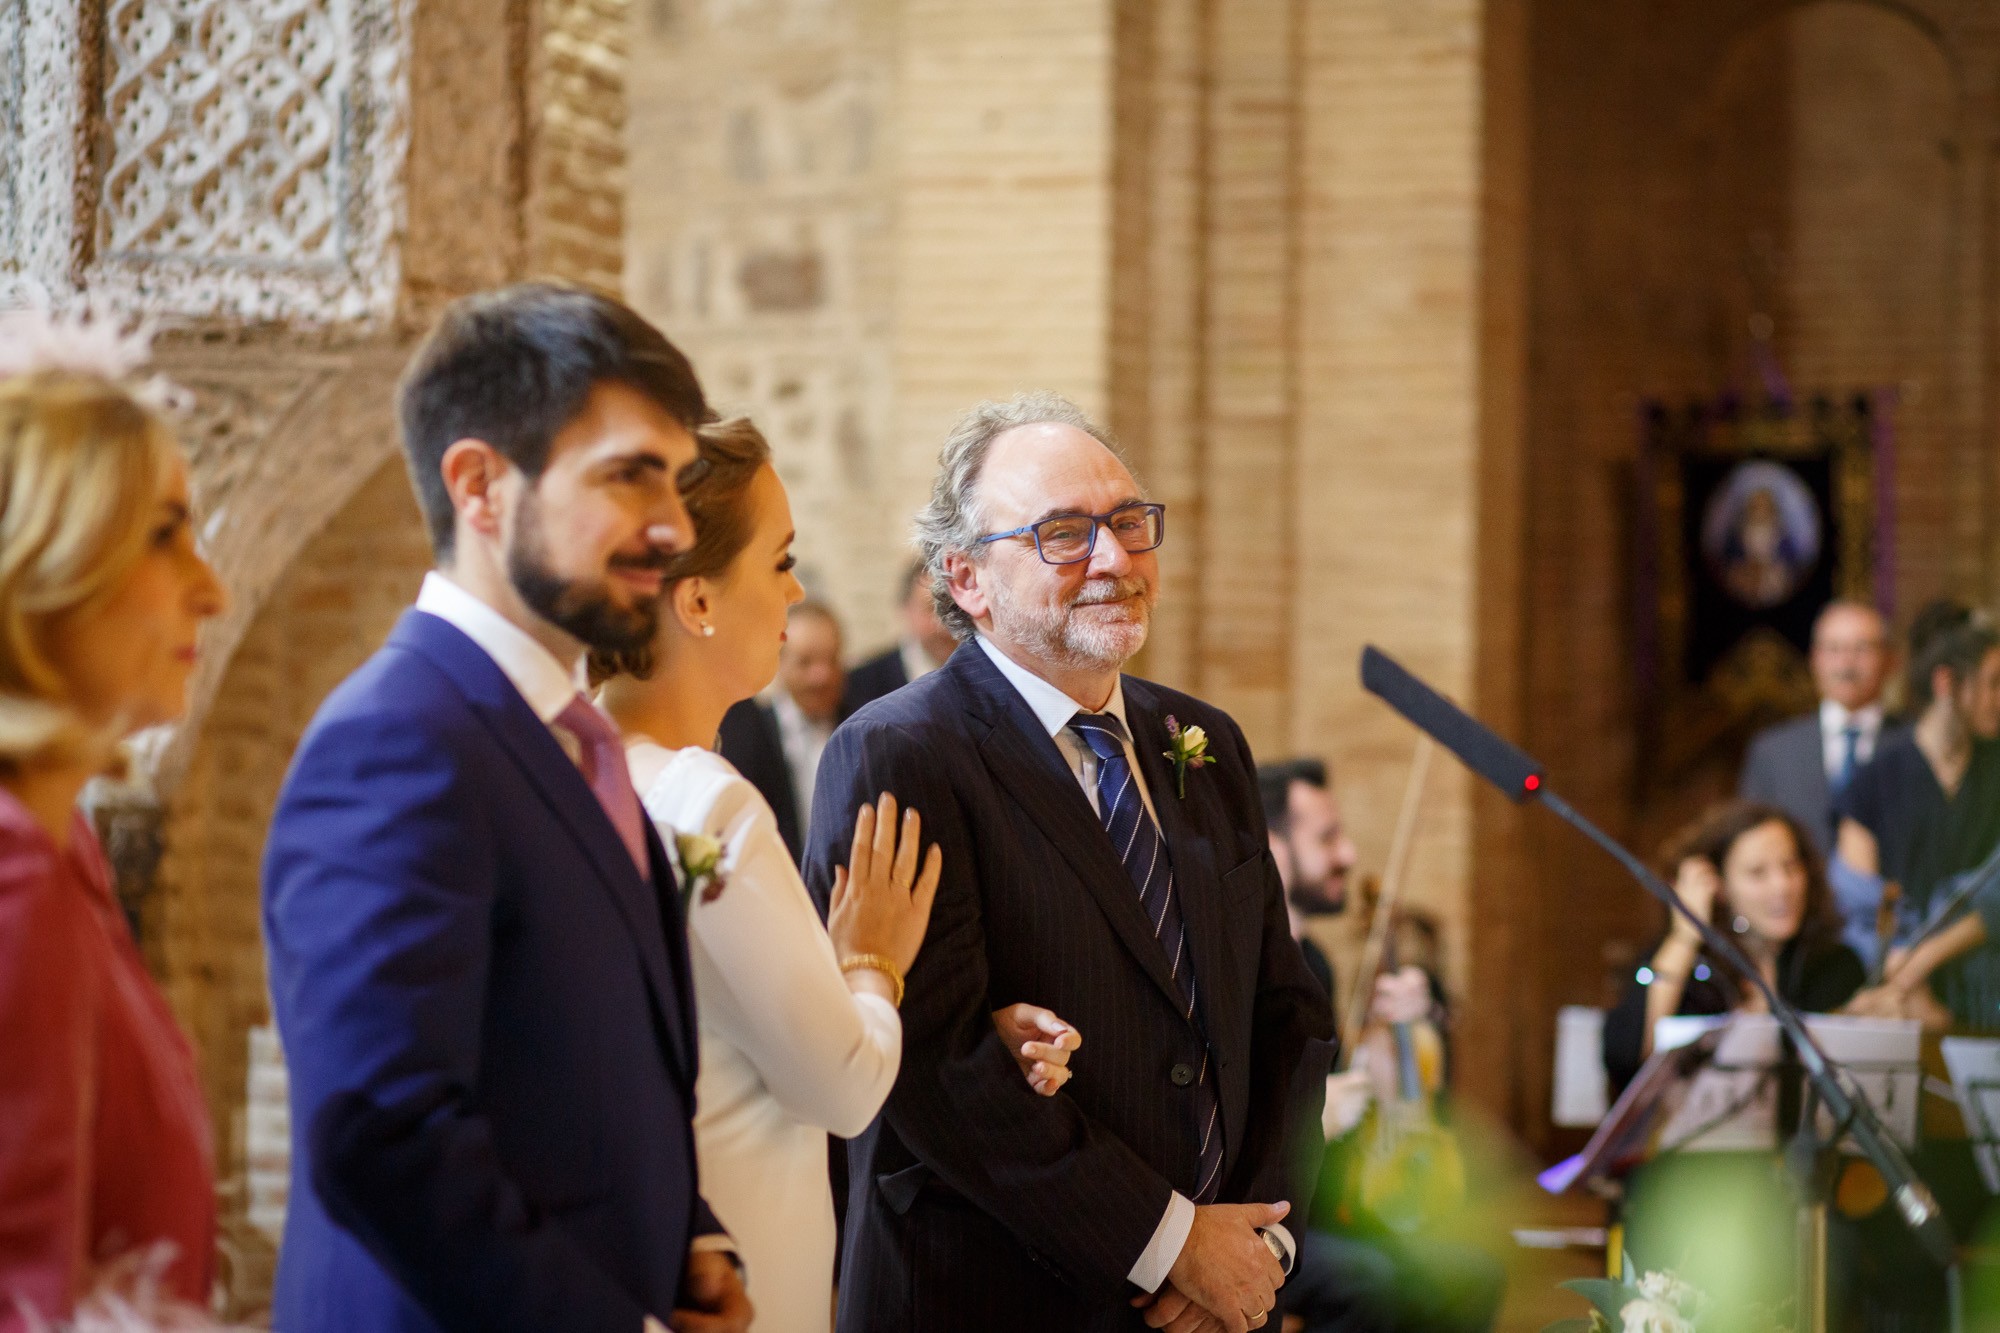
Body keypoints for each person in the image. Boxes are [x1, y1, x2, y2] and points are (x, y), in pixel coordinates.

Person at [262, 284, 748, 1333]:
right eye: (628, 476)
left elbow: (584, 1066)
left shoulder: (568, 739)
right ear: (480, 485)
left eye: (674, 480)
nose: (671, 528)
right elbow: (385, 1133)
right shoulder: (396, 739)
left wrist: (688, 1241)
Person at [803, 392, 1334, 1333]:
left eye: (1129, 522)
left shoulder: (1204, 742)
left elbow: (1285, 1014)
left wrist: (1261, 1242)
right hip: (996, 1296)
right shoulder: (901, 753)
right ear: (966, 578)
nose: (1116, 559)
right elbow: (939, 1067)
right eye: (1063, 533)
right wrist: (1174, 1244)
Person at [595, 417, 1081, 1331]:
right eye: (779, 561)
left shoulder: (578, 766)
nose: (797, 589)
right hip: (740, 1262)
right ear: (698, 600)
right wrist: (871, 961)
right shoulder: (709, 802)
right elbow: (840, 1087)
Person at [0, 351, 227, 1327]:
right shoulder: (11, 871)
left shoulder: (64, 851)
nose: (210, 589)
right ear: (42, 562)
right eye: (165, 537)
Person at [1257, 761, 1503, 1333]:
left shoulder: (1314, 961)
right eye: (1326, 837)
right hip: (1267, 1214)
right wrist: (1313, 1114)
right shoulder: (1246, 964)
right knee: (1368, 1281)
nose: (1347, 854)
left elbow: (1353, 1093)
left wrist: (1410, 1032)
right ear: (1275, 844)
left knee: (1472, 1271)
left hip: (1329, 1208)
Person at [1602, 800, 1863, 1095]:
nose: (1782, 885)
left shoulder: (1834, 963)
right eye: (1757, 873)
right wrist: (1685, 935)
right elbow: (1628, 1056)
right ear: (1719, 886)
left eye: (1790, 866)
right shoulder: (1692, 966)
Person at [1844, 618, 2000, 1030]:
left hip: (1982, 993)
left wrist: (1926, 957)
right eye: (1994, 683)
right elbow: (1857, 897)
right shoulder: (1874, 777)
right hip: (1891, 986)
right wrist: (1902, 972)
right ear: (1947, 683)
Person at [1738, 601, 1895, 859]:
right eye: (1834, 649)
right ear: (1814, 659)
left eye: (1862, 649)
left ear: (1889, 659)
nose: (1846, 663)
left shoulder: (1914, 742)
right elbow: (1752, 844)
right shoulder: (1772, 751)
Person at [716, 601, 845, 860]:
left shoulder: (860, 723)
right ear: (780, 661)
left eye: (831, 660)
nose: (822, 675)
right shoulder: (749, 731)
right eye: (806, 663)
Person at [842, 558, 959, 714]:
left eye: (954, 608)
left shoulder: (987, 672)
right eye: (932, 609)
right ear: (906, 610)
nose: (944, 624)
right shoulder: (863, 684)